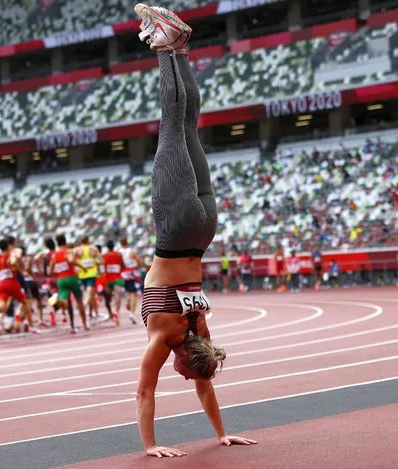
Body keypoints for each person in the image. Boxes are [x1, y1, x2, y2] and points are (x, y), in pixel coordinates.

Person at [134, 3, 257, 457]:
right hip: (176, 223)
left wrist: (221, 434)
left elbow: (205, 384)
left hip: (204, 228)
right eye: (184, 372)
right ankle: (166, 47)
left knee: (189, 127)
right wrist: (150, 445)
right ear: (184, 357)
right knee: (172, 126)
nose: (181, 375)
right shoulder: (166, 336)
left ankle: (179, 50)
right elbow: (144, 393)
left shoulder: (200, 331)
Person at [0, 238, 36, 336]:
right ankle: (31, 327)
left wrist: (0, 273)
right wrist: (20, 271)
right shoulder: (11, 255)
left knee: (2, 307)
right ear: (8, 246)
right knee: (25, 303)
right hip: (13, 284)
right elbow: (13, 262)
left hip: (2, 285)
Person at [48, 234, 88, 333]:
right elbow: (71, 260)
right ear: (65, 242)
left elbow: (50, 271)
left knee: (65, 304)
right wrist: (82, 267)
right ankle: (84, 324)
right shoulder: (69, 251)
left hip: (61, 280)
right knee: (79, 301)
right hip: (72, 278)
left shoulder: (54, 255)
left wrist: (59, 270)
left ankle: (57, 301)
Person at [74, 236, 103, 319]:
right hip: (91, 274)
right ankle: (85, 305)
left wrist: (78, 265)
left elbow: (71, 260)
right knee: (90, 293)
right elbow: (101, 261)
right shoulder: (94, 249)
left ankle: (94, 311)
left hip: (81, 274)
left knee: (89, 294)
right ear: (88, 241)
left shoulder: (76, 250)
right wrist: (94, 261)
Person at [119, 237, 144, 325]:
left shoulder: (119, 252)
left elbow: (119, 265)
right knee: (133, 294)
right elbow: (140, 262)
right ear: (127, 242)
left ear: (120, 243)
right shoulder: (132, 251)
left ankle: (129, 301)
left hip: (123, 275)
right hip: (132, 274)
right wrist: (136, 265)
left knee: (128, 293)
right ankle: (132, 314)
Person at [103, 239, 125, 326]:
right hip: (117, 278)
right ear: (113, 246)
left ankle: (112, 311)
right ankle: (116, 312)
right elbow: (123, 265)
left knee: (108, 298)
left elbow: (102, 267)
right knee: (117, 295)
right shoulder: (119, 254)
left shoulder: (103, 256)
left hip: (108, 279)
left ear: (107, 247)